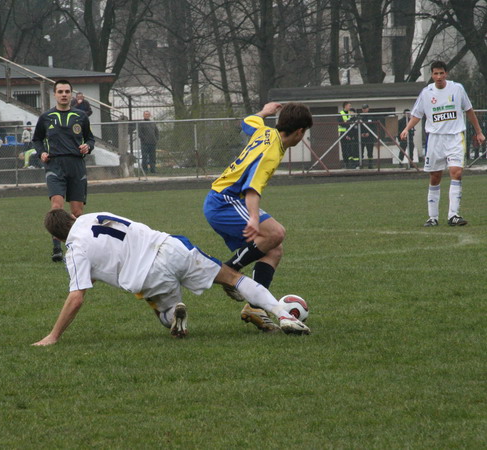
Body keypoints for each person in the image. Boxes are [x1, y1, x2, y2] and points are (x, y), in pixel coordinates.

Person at [32, 210, 310, 346]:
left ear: (56, 237)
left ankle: (176, 317)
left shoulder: (74, 249)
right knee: (233, 277)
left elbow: (77, 296)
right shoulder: (93, 215)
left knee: (165, 315)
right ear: (72, 215)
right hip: (171, 247)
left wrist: (54, 335)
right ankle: (281, 312)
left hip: (147, 276)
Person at [203, 102, 313, 333]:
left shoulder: (266, 131)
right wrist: (254, 218)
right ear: (300, 131)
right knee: (276, 233)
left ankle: (254, 307)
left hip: (226, 200)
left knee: (274, 249)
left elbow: (247, 122)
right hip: (226, 201)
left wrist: (264, 112)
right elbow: (252, 188)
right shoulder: (271, 152)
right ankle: (227, 271)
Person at [400, 60, 485, 227]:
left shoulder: (457, 89)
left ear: (446, 74)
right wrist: (406, 128)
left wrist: (479, 131)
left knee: (456, 172)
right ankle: (433, 217)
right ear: (431, 75)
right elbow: (417, 114)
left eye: (441, 73)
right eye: (435, 73)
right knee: (435, 176)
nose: (438, 77)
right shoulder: (426, 93)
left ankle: (453, 215)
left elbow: (468, 110)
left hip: (455, 137)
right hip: (435, 138)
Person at [32, 79, 95, 262]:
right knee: (56, 207)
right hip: (55, 165)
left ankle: (78, 248)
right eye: (60, 91)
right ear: (55, 94)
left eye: (67, 91)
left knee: (77, 213)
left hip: (76, 165)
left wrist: (87, 147)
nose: (64, 94)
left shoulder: (81, 116)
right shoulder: (46, 117)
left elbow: (90, 139)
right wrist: (41, 152)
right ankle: (56, 248)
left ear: (71, 94)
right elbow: (36, 140)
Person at [338, 101, 359, 169]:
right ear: (345, 106)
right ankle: (346, 164)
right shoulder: (341, 114)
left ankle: (352, 164)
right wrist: (348, 124)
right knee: (344, 150)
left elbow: (354, 121)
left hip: (351, 134)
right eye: (349, 106)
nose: (350, 107)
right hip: (343, 133)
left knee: (351, 149)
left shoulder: (351, 113)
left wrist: (347, 123)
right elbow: (341, 123)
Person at [359, 104, 376, 168]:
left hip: (370, 137)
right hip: (362, 137)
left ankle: (370, 165)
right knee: (361, 151)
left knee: (370, 152)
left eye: (365, 108)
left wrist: (369, 133)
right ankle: (361, 165)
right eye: (363, 108)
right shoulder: (360, 117)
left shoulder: (371, 117)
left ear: (368, 109)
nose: (364, 109)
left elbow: (374, 127)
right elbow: (358, 127)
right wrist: (361, 134)